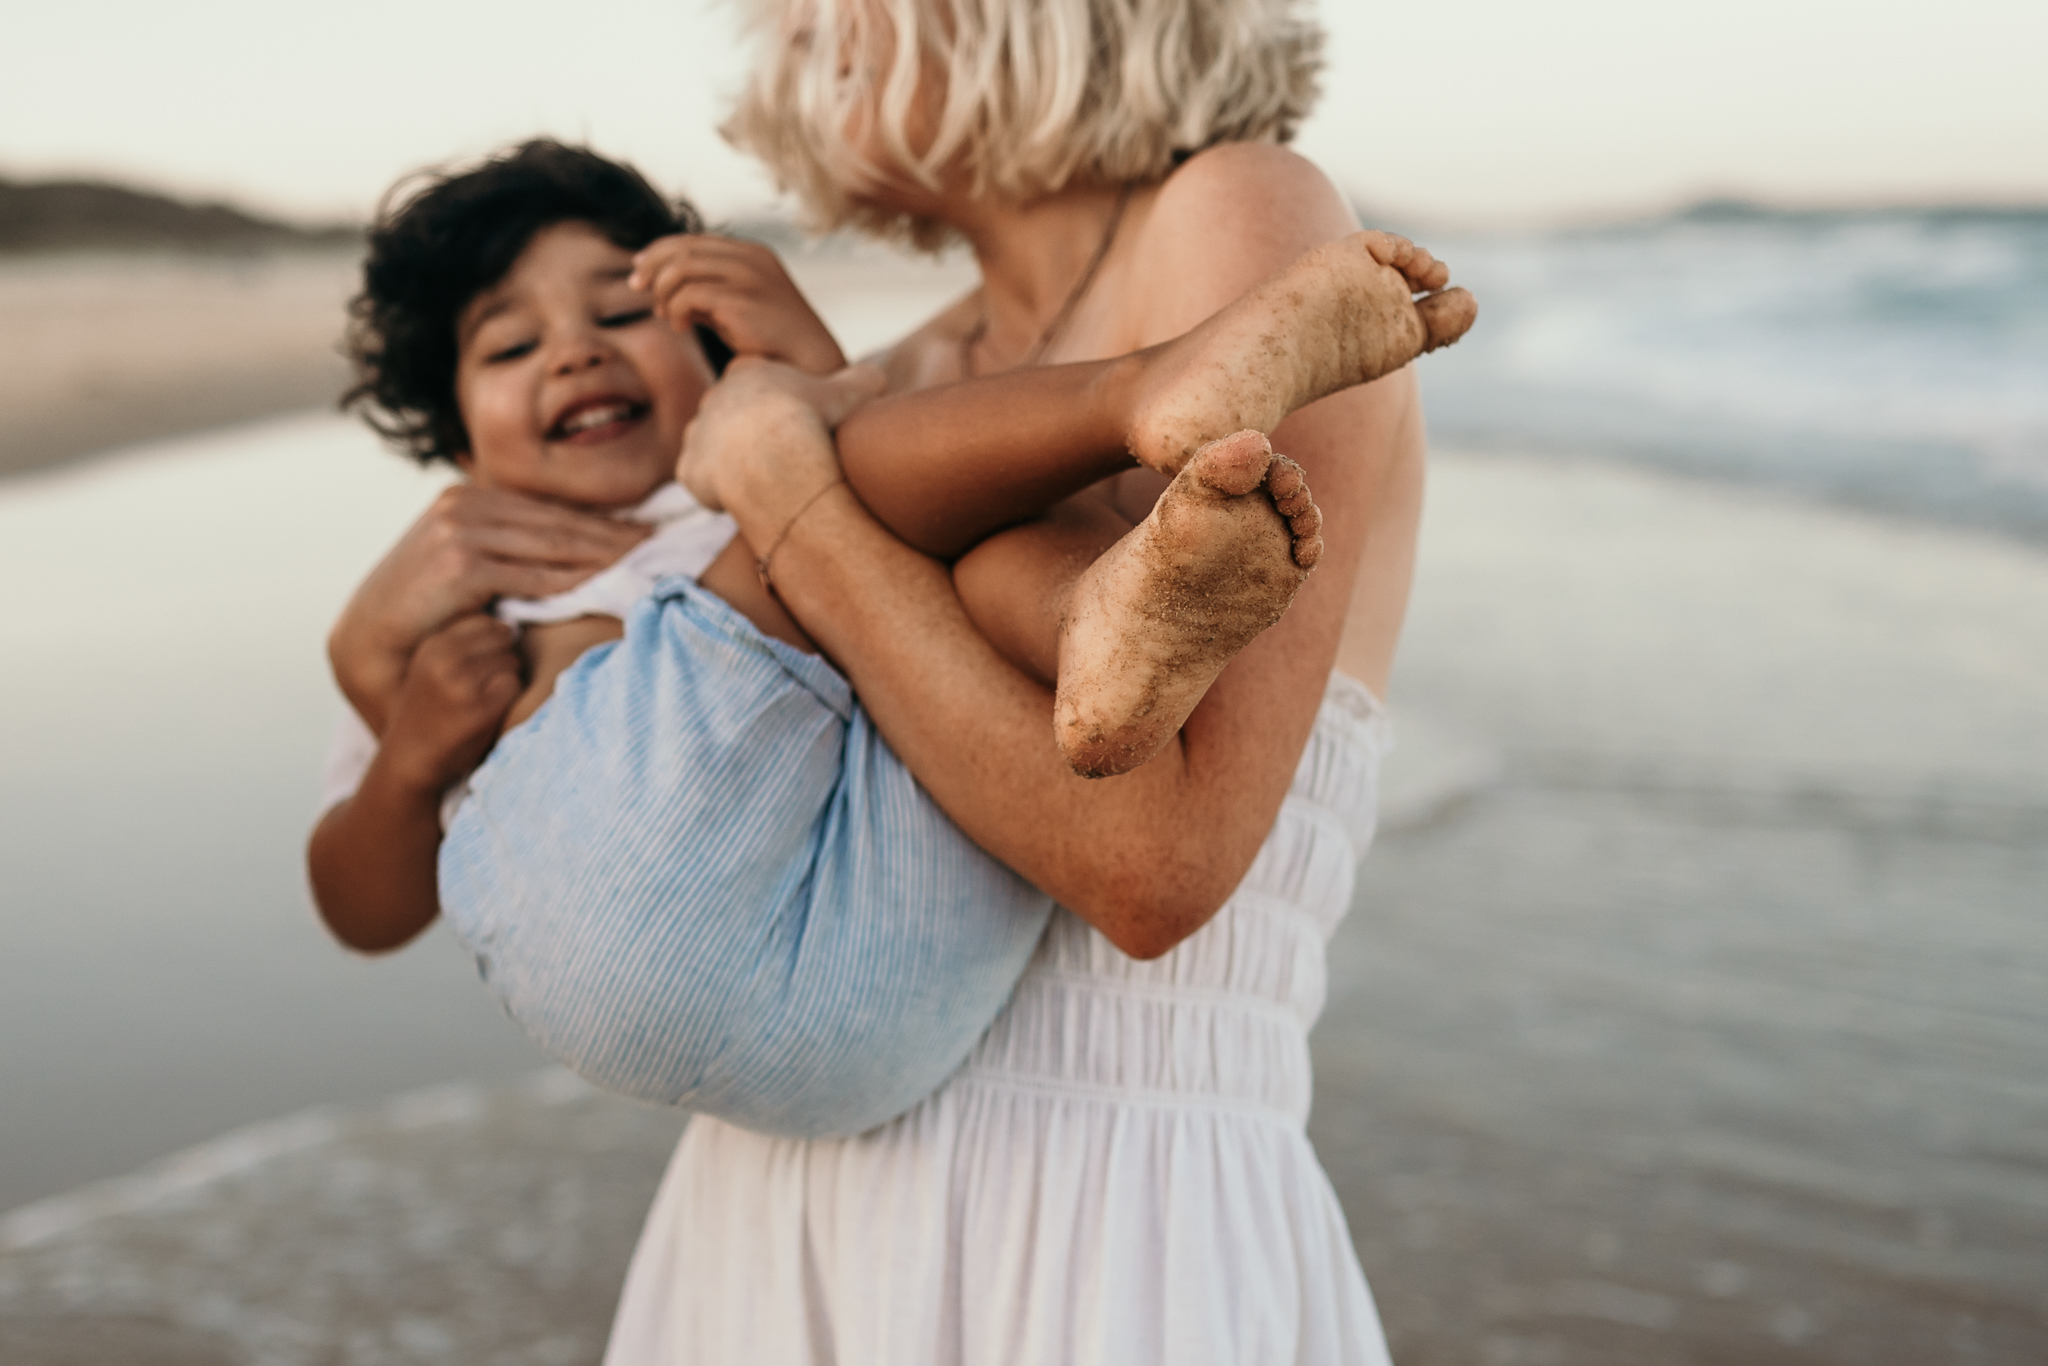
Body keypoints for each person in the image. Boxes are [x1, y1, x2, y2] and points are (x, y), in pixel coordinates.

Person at [584, 0, 1457, 1357]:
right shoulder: (899, 376)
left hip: (1109, 1228)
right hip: (778, 1204)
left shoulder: (1239, 214)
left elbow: (1154, 862)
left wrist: (794, 505)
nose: (810, 25)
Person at [310, 140, 1470, 1135]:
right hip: (638, 923)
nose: (575, 352)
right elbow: (361, 907)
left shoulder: (720, 498)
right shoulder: (469, 597)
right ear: (452, 433)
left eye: (621, 313)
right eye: (510, 348)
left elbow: (835, 484)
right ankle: (1140, 403)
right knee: (858, 477)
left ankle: (1101, 614)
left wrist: (801, 372)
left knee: (919, 533)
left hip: (886, 981)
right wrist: (408, 755)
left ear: (712, 350)